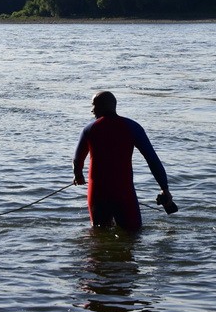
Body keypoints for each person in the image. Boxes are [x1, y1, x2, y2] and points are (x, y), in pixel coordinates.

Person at [73, 91, 173, 232]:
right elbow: (152, 160)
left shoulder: (89, 129)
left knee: (98, 238)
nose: (92, 110)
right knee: (133, 236)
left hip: (97, 193)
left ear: (102, 106)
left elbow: (78, 160)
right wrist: (164, 188)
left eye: (93, 106)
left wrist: (78, 175)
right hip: (124, 192)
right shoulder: (132, 127)